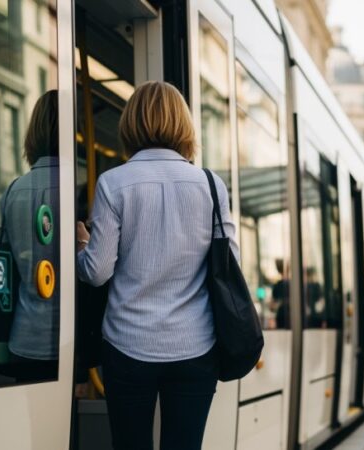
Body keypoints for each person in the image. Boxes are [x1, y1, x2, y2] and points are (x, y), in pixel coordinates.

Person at [75, 81, 238, 450]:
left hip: (127, 346)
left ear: (131, 123)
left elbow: (96, 271)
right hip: (196, 346)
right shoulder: (212, 185)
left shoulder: (112, 183)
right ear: (184, 125)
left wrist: (82, 244)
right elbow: (230, 266)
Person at [1, 90, 60, 379]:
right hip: (69, 339)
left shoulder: (14, 190)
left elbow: (4, 261)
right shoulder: (82, 190)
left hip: (23, 338)